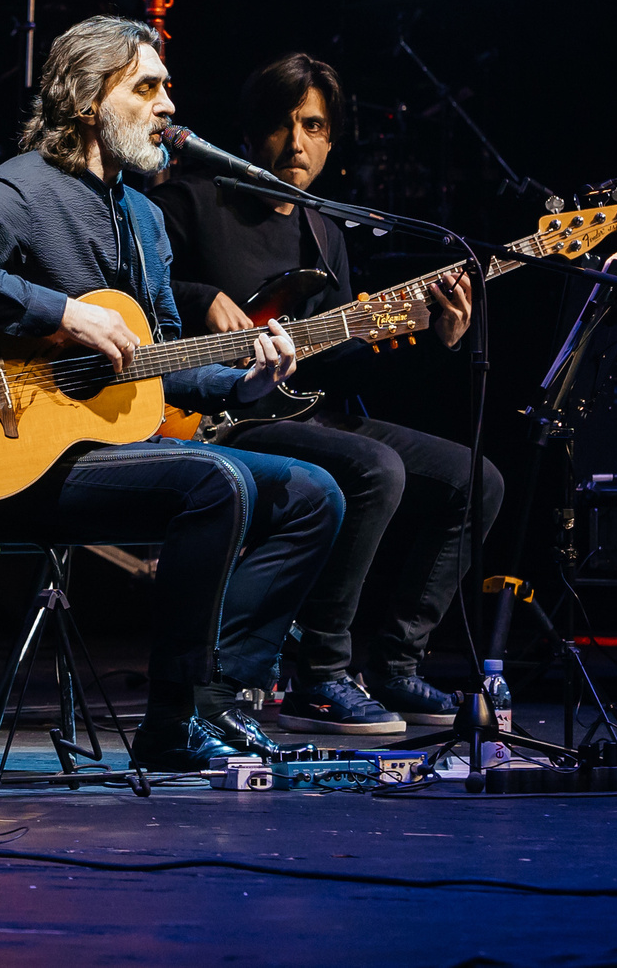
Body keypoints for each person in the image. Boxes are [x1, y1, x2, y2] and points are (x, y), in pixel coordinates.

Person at [0, 16, 344, 771]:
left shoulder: (143, 217)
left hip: (108, 453)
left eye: (167, 86)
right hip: (17, 461)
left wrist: (247, 379)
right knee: (216, 478)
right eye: (146, 87)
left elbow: (166, 361)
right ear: (86, 102)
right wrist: (62, 312)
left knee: (315, 494)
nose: (169, 105)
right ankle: (170, 722)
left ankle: (217, 701)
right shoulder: (24, 187)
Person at [149, 52, 502, 735]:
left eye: (313, 125)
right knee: (376, 468)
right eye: (281, 124)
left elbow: (340, 364)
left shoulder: (324, 230)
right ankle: (322, 674)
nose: (297, 141)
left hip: (298, 408)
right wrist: (201, 295)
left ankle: (396, 664)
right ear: (250, 135)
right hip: (212, 414)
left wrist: (436, 334)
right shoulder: (188, 202)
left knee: (476, 479)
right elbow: (136, 301)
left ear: (332, 141)